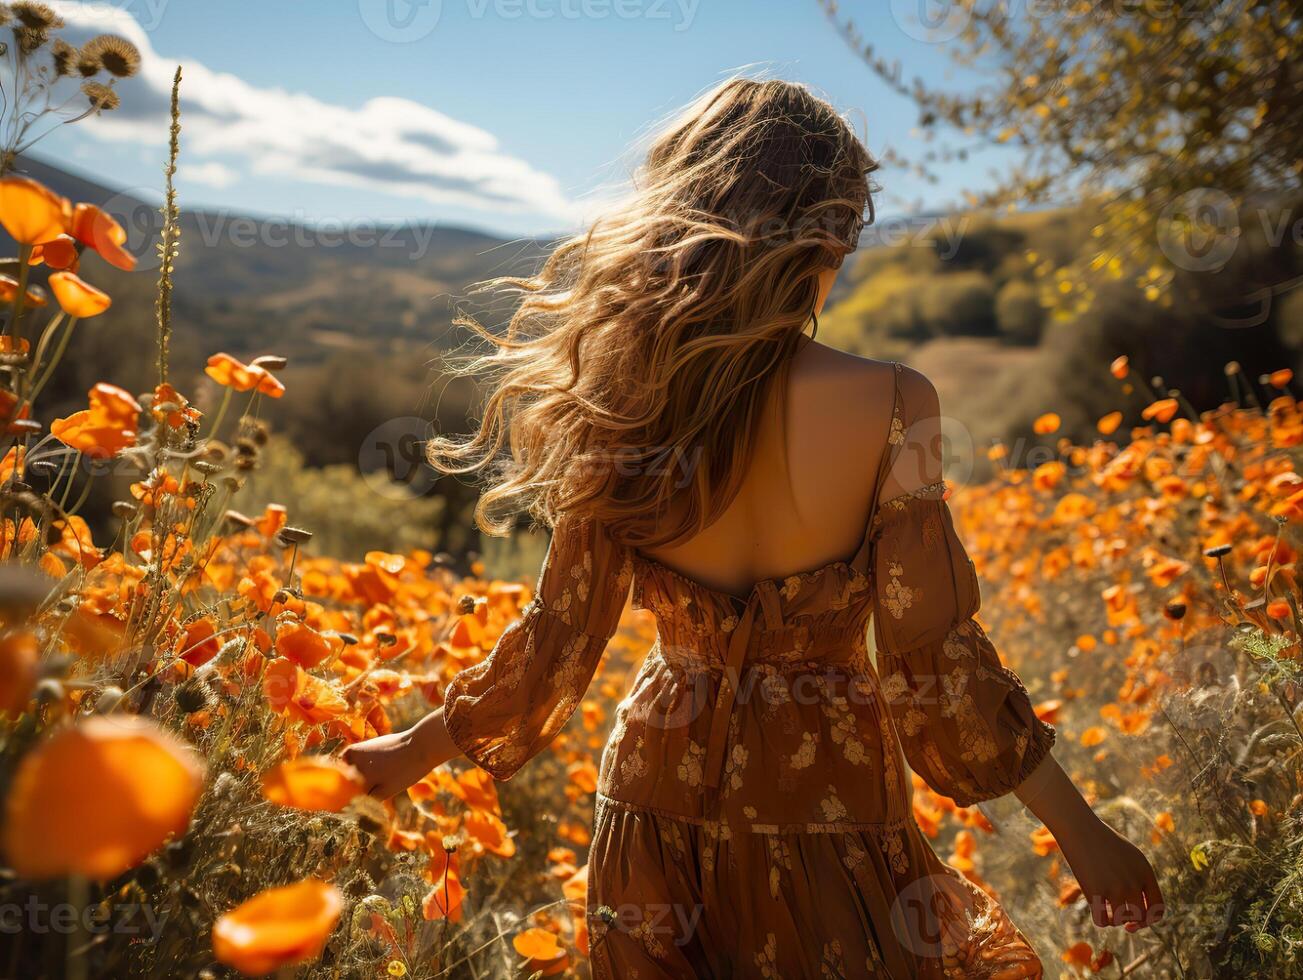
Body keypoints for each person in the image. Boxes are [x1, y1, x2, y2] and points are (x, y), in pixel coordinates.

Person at [345, 77, 1163, 978]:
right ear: (833, 231)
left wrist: (408, 751)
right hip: (830, 809)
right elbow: (934, 664)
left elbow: (560, 640)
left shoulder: (625, 402)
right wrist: (1082, 836)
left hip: (650, 807)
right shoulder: (895, 404)